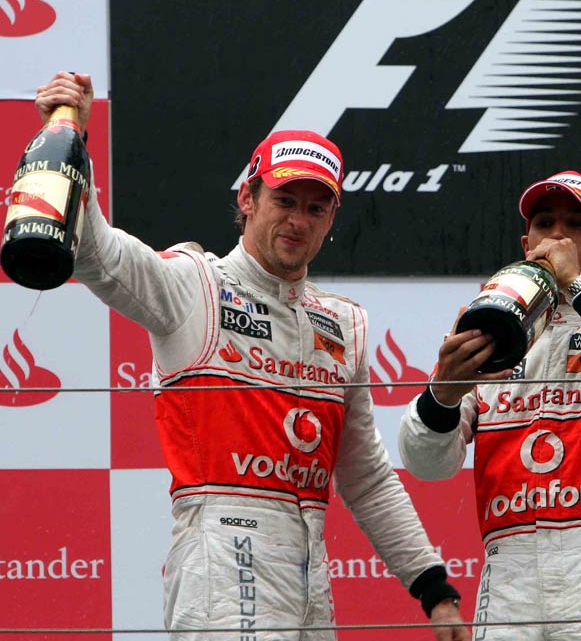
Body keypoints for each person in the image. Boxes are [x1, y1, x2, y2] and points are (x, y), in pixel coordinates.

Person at [34, 72, 467, 641]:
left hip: (309, 571)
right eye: (284, 200)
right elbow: (99, 255)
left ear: (331, 218)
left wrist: (433, 588)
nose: (298, 221)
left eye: (316, 208)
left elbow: (366, 478)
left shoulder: (344, 324)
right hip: (222, 560)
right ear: (248, 198)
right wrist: (69, 140)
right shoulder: (195, 285)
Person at [398, 171, 581, 640]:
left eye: (577, 225)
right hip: (509, 570)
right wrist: (444, 393)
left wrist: (579, 284)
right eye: (544, 224)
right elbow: (426, 464)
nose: (557, 238)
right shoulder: (487, 334)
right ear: (526, 245)